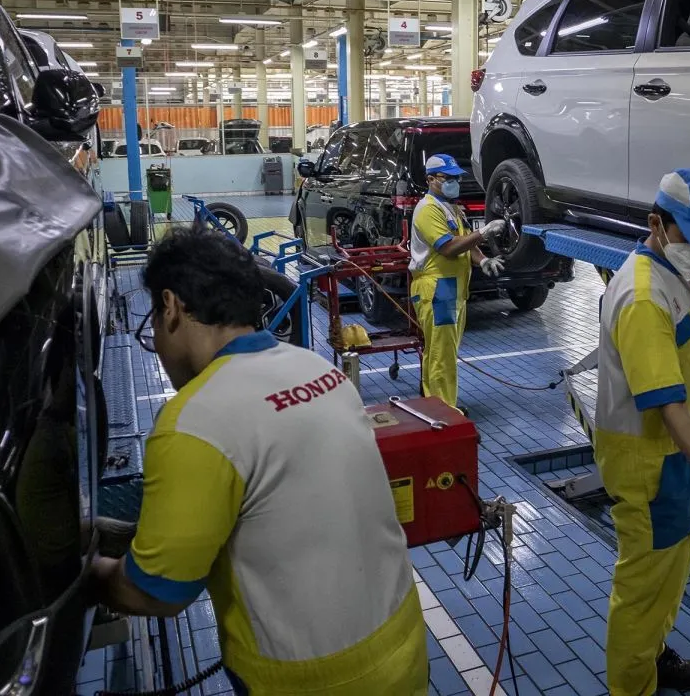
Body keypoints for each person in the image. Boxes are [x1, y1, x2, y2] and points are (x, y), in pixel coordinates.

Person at [90, 227, 427, 695]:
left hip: (310, 681)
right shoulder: (320, 371)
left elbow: (155, 592)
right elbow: (285, 511)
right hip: (404, 646)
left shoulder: (192, 421)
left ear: (171, 307)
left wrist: (83, 572)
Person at [594, 169, 690, 696]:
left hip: (674, 456)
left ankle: (655, 656)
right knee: (643, 586)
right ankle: (630, 687)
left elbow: (675, 352)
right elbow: (667, 405)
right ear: (656, 224)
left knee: (671, 569)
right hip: (648, 461)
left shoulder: (677, 274)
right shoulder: (643, 296)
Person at [409, 153, 508, 409]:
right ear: (431, 179)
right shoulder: (428, 209)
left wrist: (482, 260)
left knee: (440, 351)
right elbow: (448, 248)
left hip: (452, 288)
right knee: (442, 355)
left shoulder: (451, 207)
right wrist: (483, 232)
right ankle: (445, 412)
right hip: (437, 288)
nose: (455, 183)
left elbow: (464, 243)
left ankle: (434, 405)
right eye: (448, 178)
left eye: (457, 178)